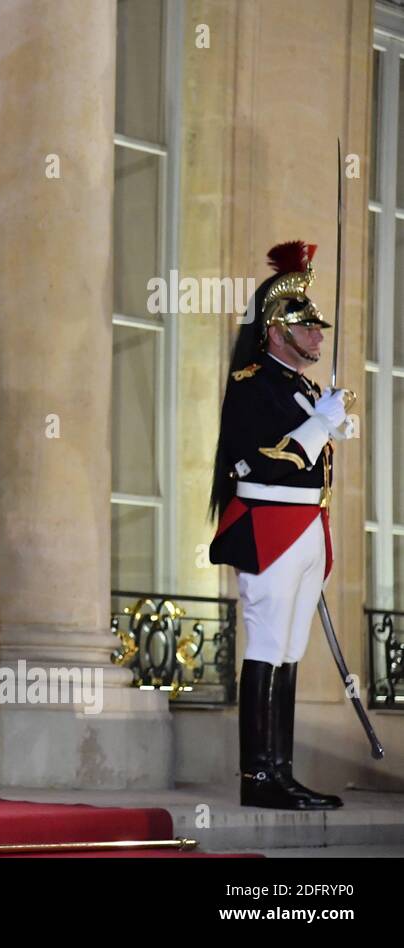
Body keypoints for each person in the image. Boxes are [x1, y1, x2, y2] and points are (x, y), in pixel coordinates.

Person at [209, 240, 347, 811]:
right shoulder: (252, 383)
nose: (318, 335)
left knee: (291, 647)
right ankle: (257, 777)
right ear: (275, 329)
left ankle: (281, 771)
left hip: (306, 525)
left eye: (317, 326)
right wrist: (319, 428)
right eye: (305, 325)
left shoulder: (302, 388)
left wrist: (320, 416)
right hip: (270, 525)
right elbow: (263, 457)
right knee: (267, 643)